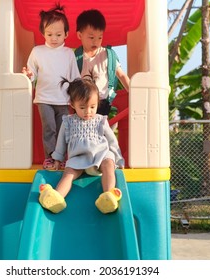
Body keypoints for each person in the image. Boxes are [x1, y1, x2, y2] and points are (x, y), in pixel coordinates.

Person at [38, 76, 125, 214]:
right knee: (68, 173)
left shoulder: (100, 120)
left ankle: (108, 195)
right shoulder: (68, 122)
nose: (88, 111)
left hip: (100, 155)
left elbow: (112, 140)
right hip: (78, 159)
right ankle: (57, 197)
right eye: (82, 107)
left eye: (92, 107)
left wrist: (118, 159)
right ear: (72, 104)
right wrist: (57, 159)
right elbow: (60, 143)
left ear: (98, 103)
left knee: (109, 163)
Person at [22, 4, 80, 169]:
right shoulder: (37, 51)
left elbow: (75, 77)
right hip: (44, 99)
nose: (54, 38)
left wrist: (77, 97)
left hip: (63, 100)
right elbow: (32, 73)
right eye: (49, 34)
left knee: (62, 131)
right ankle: (49, 158)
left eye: (58, 34)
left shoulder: (68, 53)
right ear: (43, 34)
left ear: (66, 34)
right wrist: (28, 75)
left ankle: (60, 158)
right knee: (49, 129)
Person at [75, 9, 130, 116]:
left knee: (99, 130)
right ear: (80, 35)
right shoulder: (76, 57)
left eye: (100, 37)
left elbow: (122, 75)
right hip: (82, 102)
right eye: (91, 37)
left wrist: (133, 92)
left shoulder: (108, 55)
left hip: (102, 101)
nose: (96, 41)